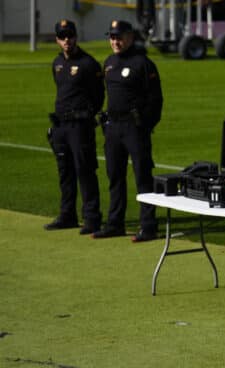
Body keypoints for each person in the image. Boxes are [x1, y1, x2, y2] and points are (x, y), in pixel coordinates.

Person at [93, 20, 163, 242]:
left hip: (134, 128)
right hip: (113, 128)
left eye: (119, 36)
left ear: (131, 37)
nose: (115, 41)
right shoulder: (109, 63)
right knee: (114, 176)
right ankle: (115, 224)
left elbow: (156, 100)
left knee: (143, 177)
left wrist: (144, 125)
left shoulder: (143, 63)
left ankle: (149, 226)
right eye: (112, 37)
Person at [46, 19, 104, 235]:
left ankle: (91, 217)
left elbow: (98, 96)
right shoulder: (57, 63)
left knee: (85, 170)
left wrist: (86, 114)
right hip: (60, 124)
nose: (67, 40)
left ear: (76, 37)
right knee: (65, 171)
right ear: (57, 40)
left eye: (70, 35)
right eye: (62, 36)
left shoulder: (88, 64)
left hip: (79, 125)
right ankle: (67, 214)